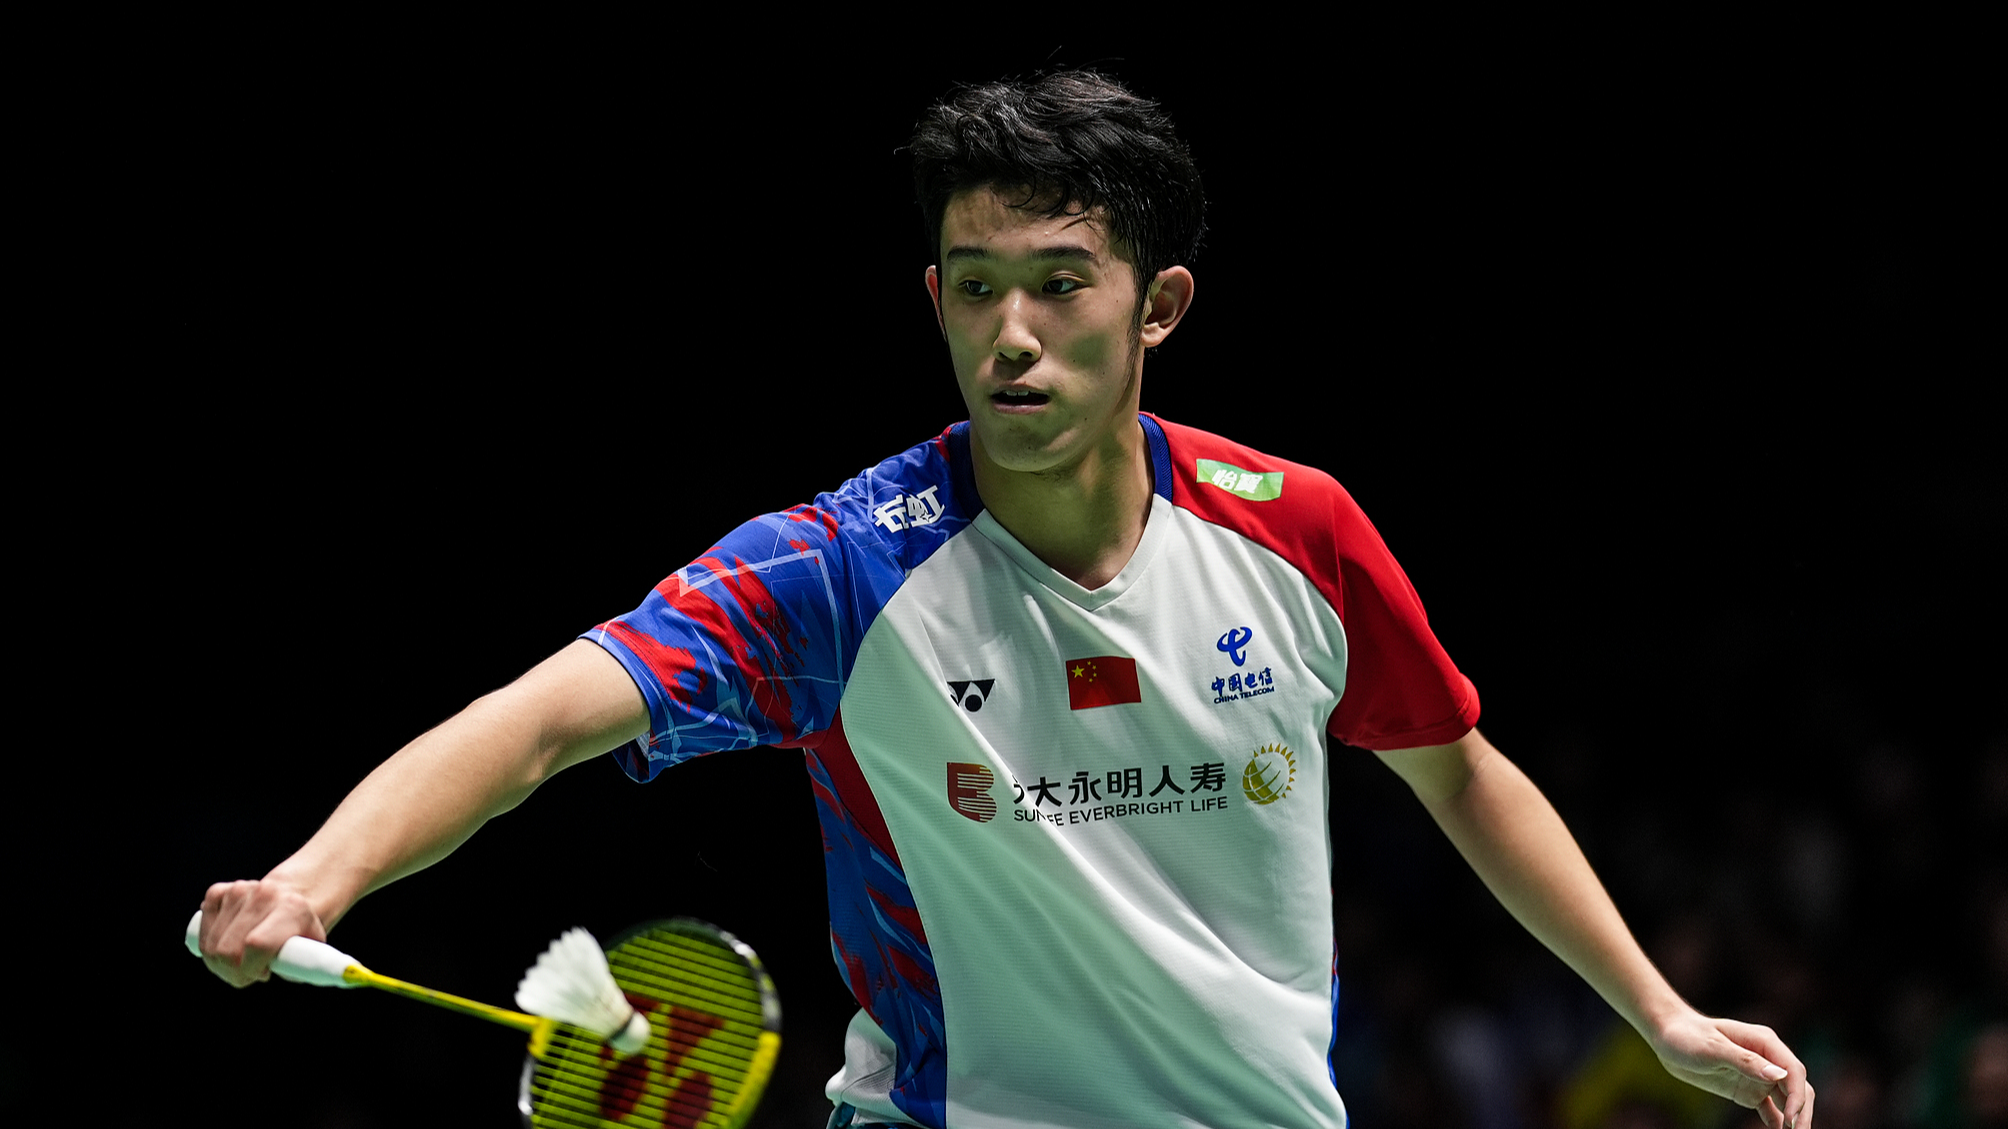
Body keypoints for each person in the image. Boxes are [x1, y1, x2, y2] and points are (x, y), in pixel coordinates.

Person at [196, 70, 1815, 1129]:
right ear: (936, 302)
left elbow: (1455, 765)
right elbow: (538, 719)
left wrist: (1659, 1011)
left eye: (1060, 282)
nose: (1013, 334)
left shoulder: (1293, 530)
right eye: (977, 288)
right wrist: (318, 877)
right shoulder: (844, 571)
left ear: (1159, 304)